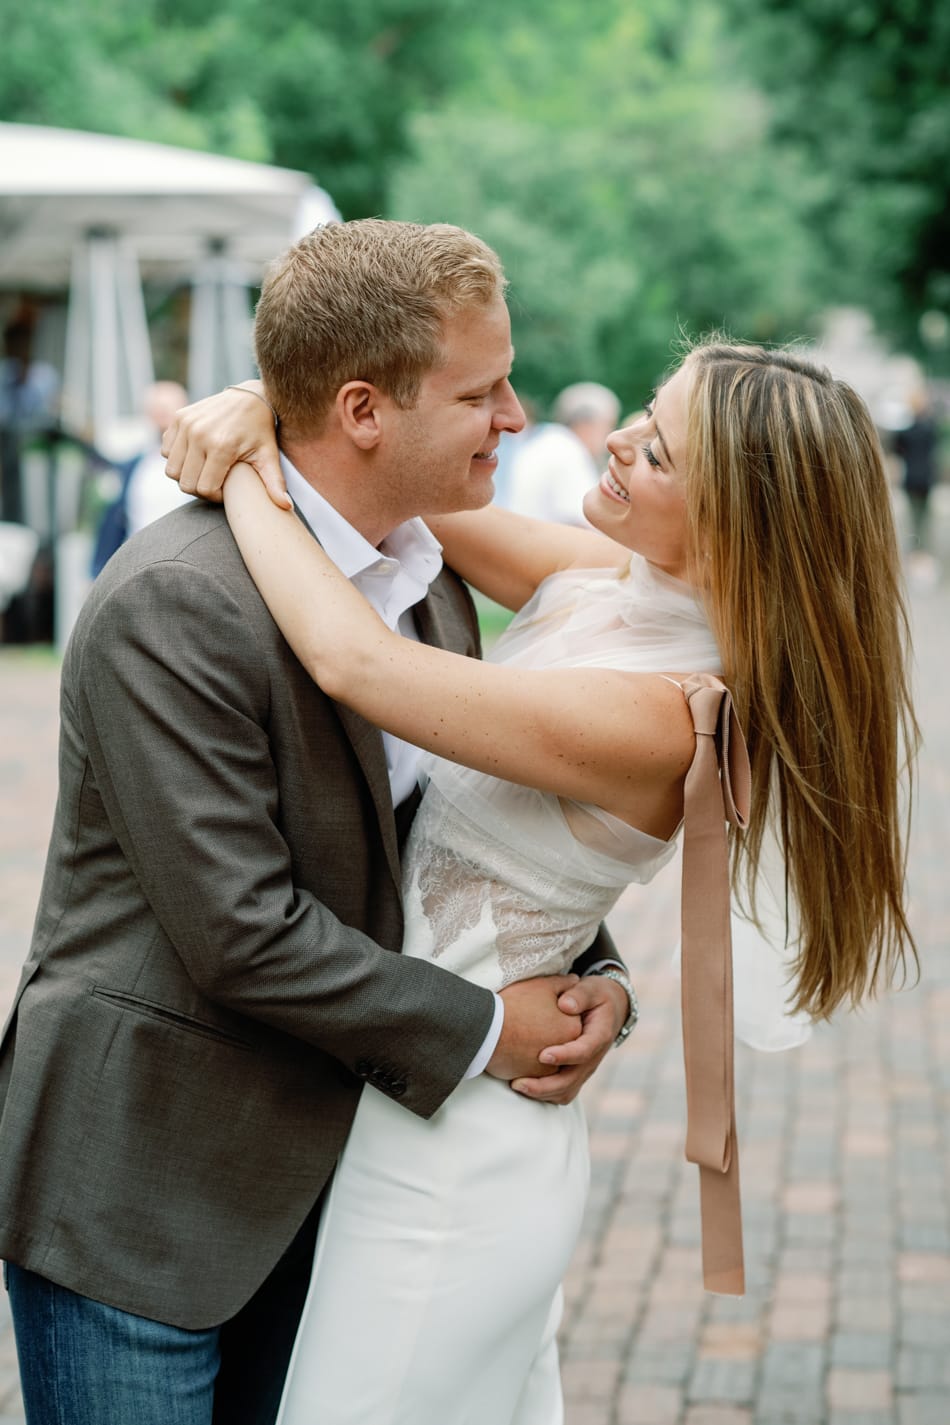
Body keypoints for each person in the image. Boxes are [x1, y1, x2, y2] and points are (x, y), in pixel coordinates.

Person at [162, 333, 918, 1424]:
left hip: (455, 1159)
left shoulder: (664, 711)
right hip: (408, 1093)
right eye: (643, 417)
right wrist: (267, 402)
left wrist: (238, 461)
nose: (613, 441)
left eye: (657, 452)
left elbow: (356, 665)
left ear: (736, 527)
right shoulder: (602, 584)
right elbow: (397, 487)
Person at [0, 221, 632, 1425]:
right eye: (480, 390)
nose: (514, 416)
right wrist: (491, 1025)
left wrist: (589, 966)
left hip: (331, 1185)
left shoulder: (428, 576)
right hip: (145, 1190)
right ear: (361, 411)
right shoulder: (177, 603)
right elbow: (238, 930)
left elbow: (451, 830)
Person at [91, 381, 192, 576]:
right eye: (156, 406)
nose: (161, 411)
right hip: (134, 568)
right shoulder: (131, 467)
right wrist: (96, 572)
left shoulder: (199, 462)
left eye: (167, 405)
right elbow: (112, 523)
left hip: (186, 567)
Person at [501, 380, 620, 525]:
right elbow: (582, 520)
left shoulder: (547, 442)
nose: (611, 436)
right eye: (609, 426)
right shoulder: (568, 450)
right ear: (586, 424)